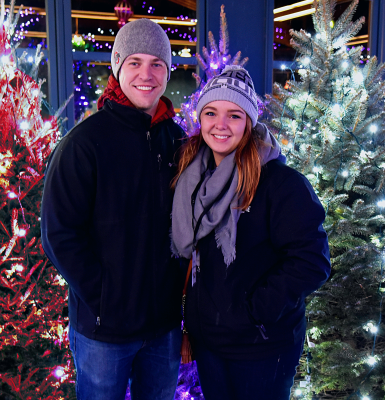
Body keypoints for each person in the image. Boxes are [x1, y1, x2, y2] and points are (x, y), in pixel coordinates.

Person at [41, 19, 186, 400]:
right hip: (105, 331)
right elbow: (59, 233)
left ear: (167, 72)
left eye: (157, 63)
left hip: (164, 327)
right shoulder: (84, 143)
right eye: (135, 62)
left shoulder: (177, 141)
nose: (146, 74)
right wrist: (105, 298)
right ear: (117, 65)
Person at [171, 65, 331, 400]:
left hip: (261, 344)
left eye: (234, 115)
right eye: (212, 112)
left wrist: (253, 312)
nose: (221, 125)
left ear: (249, 123)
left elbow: (311, 262)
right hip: (211, 342)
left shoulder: (281, 184)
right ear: (201, 118)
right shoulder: (192, 178)